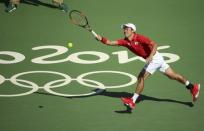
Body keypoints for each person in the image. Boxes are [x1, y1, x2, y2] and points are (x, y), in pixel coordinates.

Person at [95, 23, 200, 109]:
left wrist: (150, 56)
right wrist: (101, 39)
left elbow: (155, 44)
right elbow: (110, 42)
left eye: (126, 29)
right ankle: (192, 86)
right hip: (156, 58)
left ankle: (132, 101)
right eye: (124, 29)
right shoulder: (125, 42)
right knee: (172, 75)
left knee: (141, 77)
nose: (124, 31)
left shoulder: (140, 38)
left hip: (154, 58)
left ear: (132, 30)